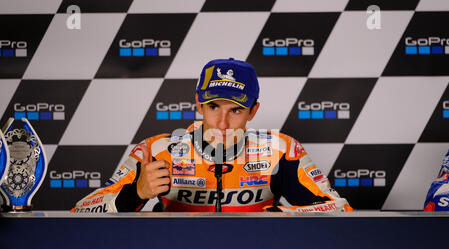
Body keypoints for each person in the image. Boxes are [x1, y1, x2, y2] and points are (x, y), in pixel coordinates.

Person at [71, 58, 353, 213]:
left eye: (236, 110)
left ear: (253, 111)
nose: (221, 122)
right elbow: (81, 212)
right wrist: (135, 193)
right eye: (213, 106)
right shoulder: (157, 149)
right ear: (198, 104)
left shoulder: (280, 149)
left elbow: (340, 209)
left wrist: (282, 217)